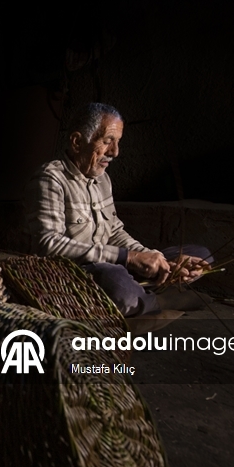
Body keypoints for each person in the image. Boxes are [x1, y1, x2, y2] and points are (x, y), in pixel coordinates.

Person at [24, 102, 212, 318]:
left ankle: (145, 292)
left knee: (200, 255)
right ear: (77, 142)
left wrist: (153, 257)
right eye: (107, 141)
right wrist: (127, 258)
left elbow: (114, 231)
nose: (115, 152)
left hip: (113, 264)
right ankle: (159, 299)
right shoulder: (50, 180)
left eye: (118, 142)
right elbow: (49, 245)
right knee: (116, 281)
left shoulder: (103, 178)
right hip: (74, 274)